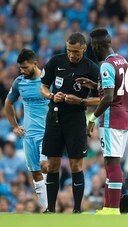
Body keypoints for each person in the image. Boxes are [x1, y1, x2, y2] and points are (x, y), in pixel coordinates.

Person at [40, 32, 100, 213]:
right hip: (55, 117)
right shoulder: (55, 62)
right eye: (69, 50)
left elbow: (101, 98)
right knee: (52, 164)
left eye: (76, 51)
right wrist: (51, 95)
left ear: (84, 49)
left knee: (76, 165)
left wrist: (80, 101)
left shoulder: (91, 68)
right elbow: (43, 86)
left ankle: (76, 210)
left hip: (76, 119)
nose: (72, 55)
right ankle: (50, 209)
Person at [76, 28, 128, 215]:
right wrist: (94, 85)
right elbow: (116, 89)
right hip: (125, 116)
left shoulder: (106, 65)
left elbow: (108, 98)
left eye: (92, 46)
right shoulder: (122, 60)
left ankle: (113, 209)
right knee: (112, 163)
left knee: (111, 163)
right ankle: (109, 207)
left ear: (97, 45)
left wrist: (92, 118)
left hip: (111, 119)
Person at [3, 49, 48, 211]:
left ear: (35, 64)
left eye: (25, 68)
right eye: (20, 68)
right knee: (36, 173)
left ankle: (53, 204)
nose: (22, 71)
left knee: (45, 166)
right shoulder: (19, 82)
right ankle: (47, 208)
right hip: (29, 135)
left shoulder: (47, 79)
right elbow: (8, 104)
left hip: (48, 133)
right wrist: (14, 126)